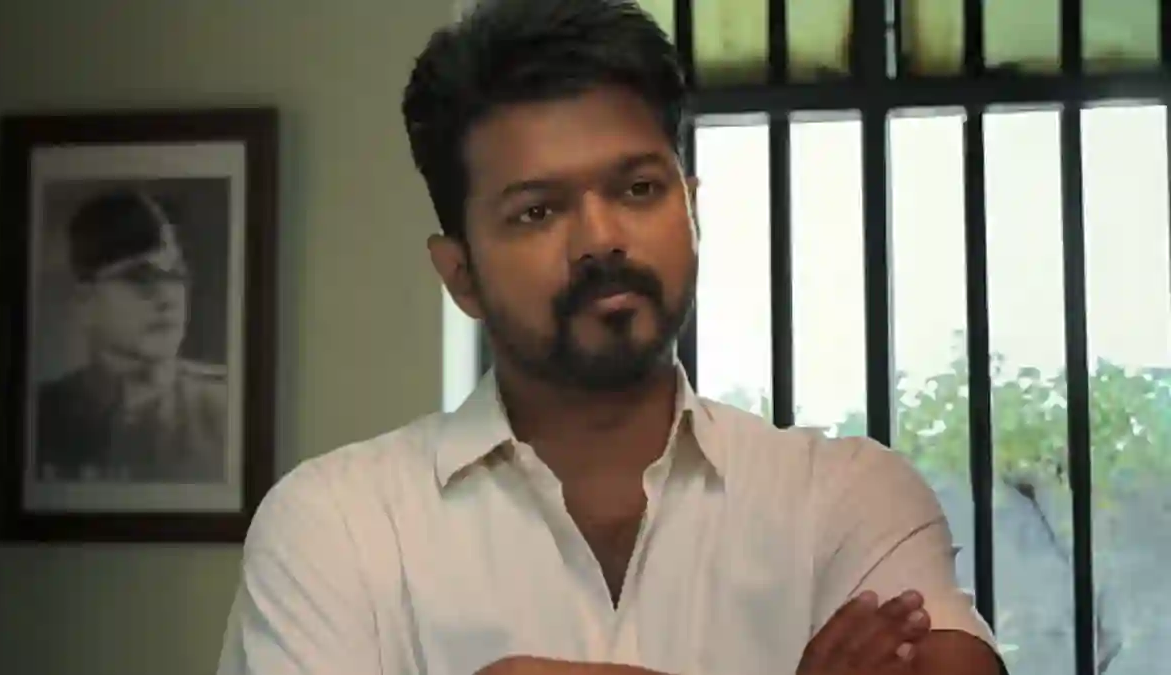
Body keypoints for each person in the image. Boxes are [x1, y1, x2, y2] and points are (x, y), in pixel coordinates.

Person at [218, 1, 1003, 674]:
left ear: (691, 210)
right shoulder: (337, 526)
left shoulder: (844, 498)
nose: (601, 238)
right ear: (460, 275)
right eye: (537, 210)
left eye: (639, 188)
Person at [34, 188, 228, 483]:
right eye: (140, 277)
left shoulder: (226, 411)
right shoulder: (40, 418)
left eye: (176, 275)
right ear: (84, 301)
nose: (167, 297)